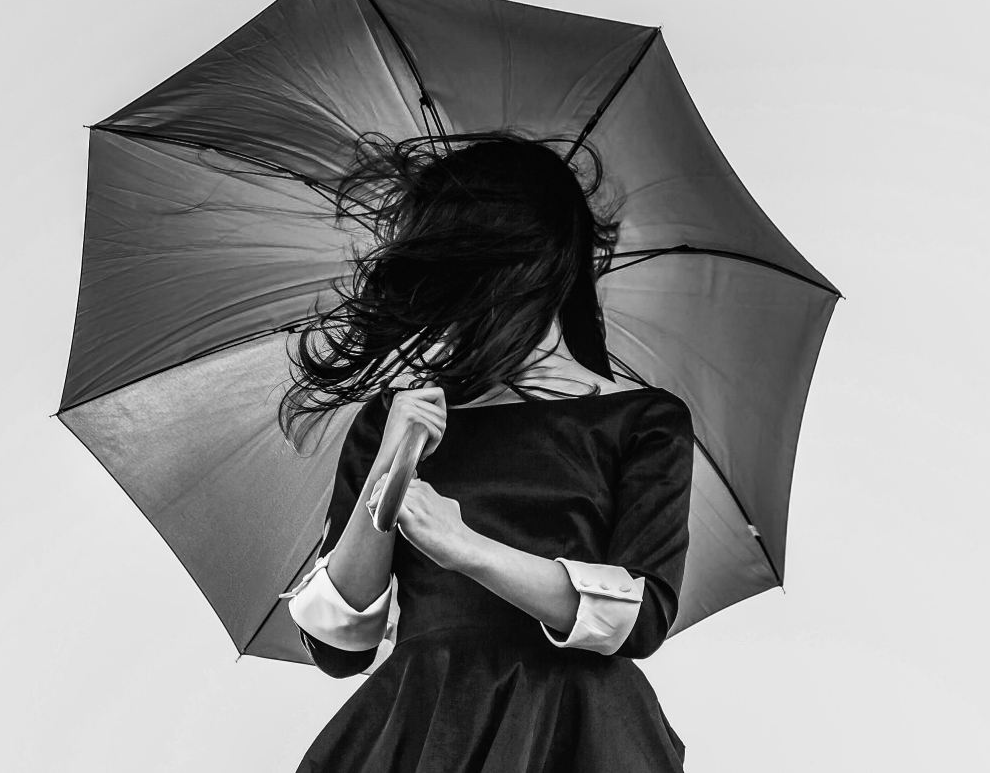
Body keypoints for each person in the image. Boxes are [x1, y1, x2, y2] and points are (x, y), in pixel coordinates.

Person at [276, 131, 695, 772]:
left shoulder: (642, 421)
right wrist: (395, 456)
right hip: (424, 725)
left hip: (578, 729)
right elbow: (340, 644)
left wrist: (466, 549)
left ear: (536, 265)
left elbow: (640, 618)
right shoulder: (398, 418)